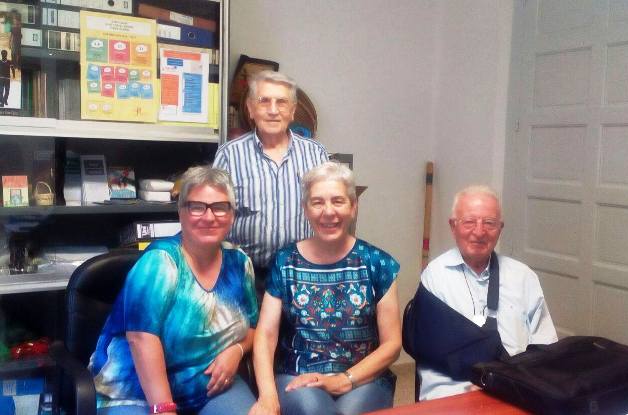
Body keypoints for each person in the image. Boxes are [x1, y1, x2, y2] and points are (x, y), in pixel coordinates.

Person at [89, 166, 258, 415]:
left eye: (220, 207)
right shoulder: (160, 262)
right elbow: (141, 338)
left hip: (207, 388)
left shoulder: (239, 263)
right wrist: (164, 408)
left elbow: (253, 327)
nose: (209, 217)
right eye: (197, 207)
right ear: (181, 212)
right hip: (135, 391)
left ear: (232, 214)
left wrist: (237, 350)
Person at [249, 162, 401, 415]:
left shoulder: (378, 263)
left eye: (338, 201)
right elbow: (266, 335)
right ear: (305, 209)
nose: (328, 212)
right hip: (298, 376)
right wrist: (267, 396)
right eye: (317, 202)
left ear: (353, 206)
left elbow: (392, 344)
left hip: (362, 377)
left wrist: (344, 380)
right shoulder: (285, 262)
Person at [416, 185, 557, 400]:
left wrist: (521, 384)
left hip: (519, 389)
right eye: (469, 222)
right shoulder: (435, 276)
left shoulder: (523, 277)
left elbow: (545, 346)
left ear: (500, 228)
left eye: (489, 223)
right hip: (455, 391)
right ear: (453, 226)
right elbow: (435, 354)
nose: (479, 231)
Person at [213, 70, 328, 295]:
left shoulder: (316, 154)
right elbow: (215, 215)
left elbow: (329, 211)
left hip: (303, 274)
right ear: (250, 109)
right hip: (246, 276)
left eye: (281, 102)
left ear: (292, 111)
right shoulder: (229, 155)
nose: (273, 110)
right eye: (264, 101)